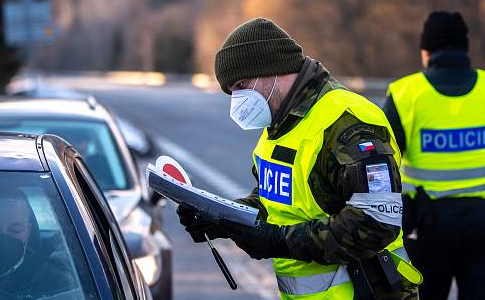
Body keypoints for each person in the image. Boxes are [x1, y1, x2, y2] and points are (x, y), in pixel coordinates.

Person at [177, 18, 422, 299]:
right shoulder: (279, 127)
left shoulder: (346, 120)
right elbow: (277, 202)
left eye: (240, 86)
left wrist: (278, 242)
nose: (237, 99)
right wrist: (221, 217)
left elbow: (376, 222)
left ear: (268, 69)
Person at [382, 11, 485, 300]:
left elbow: (382, 162)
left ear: (426, 51)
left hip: (426, 228)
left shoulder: (406, 95)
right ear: (465, 49)